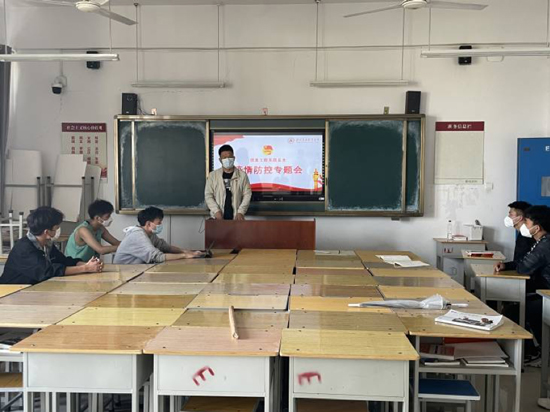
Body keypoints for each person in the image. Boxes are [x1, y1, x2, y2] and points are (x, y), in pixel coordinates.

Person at [0, 207, 103, 285]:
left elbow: (63, 261)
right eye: (56, 228)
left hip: (33, 289)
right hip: (12, 293)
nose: (58, 230)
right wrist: (85, 268)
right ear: (47, 232)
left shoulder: (47, 244)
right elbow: (47, 271)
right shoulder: (24, 249)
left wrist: (87, 264)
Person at [506, 206, 550, 368]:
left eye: (527, 222)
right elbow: (523, 262)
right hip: (544, 291)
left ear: (536, 228)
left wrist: (517, 265)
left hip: (546, 294)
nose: (524, 225)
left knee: (516, 309)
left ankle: (533, 352)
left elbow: (524, 267)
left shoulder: (545, 245)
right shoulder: (542, 241)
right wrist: (506, 266)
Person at [113, 206, 202, 264]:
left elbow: (165, 247)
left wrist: (186, 251)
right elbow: (157, 257)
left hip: (135, 271)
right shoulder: (138, 235)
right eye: (159, 223)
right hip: (125, 273)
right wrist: (184, 256)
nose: (161, 225)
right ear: (148, 224)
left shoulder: (150, 234)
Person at [205, 144, 252, 220]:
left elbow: (247, 194)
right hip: (218, 218)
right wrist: (216, 211)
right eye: (224, 158)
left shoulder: (242, 175)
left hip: (236, 218)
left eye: (229, 157)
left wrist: (241, 212)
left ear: (234, 158)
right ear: (220, 160)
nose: (227, 159)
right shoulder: (213, 176)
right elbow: (208, 195)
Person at [494, 201, 536, 276]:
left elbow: (524, 262)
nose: (508, 217)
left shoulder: (527, 236)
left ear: (519, 218)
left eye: (510, 214)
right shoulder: (522, 234)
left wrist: (506, 266)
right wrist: (505, 265)